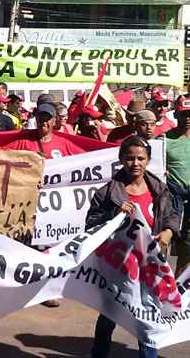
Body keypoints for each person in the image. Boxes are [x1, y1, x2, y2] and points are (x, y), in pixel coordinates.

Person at [87, 136, 178, 358]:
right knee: (108, 317)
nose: (135, 163)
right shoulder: (107, 193)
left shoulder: (159, 189)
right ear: (121, 159)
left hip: (149, 268)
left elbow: (172, 215)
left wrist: (168, 232)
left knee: (147, 318)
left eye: (140, 158)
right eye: (129, 158)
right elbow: (90, 224)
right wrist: (114, 215)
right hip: (117, 268)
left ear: (148, 160)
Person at [4, 103, 85, 159]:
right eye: (41, 118)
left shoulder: (64, 144)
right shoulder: (23, 141)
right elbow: (2, 154)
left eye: (47, 118)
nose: (43, 121)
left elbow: (87, 158)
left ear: (54, 120)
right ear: (36, 119)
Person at [166, 96, 190, 276]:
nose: (187, 118)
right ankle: (165, 284)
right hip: (175, 198)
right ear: (176, 114)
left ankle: (180, 284)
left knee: (187, 245)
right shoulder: (164, 139)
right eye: (183, 114)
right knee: (170, 239)